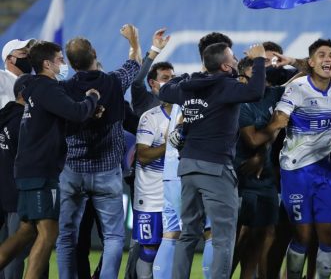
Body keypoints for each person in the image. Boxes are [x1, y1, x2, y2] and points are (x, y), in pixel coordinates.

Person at [159, 41, 266, 278]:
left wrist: (185, 77)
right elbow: (256, 91)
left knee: (188, 233)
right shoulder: (227, 86)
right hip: (215, 169)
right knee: (223, 237)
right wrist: (259, 60)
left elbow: (164, 90)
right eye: (234, 58)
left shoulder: (189, 87)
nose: (237, 59)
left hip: (187, 168)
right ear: (227, 67)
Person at [0, 41, 100, 278]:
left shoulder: (31, 87)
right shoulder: (47, 87)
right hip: (41, 172)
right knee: (47, 234)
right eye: (60, 59)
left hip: (28, 171)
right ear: (47, 64)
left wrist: (86, 112)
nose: (63, 64)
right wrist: (92, 98)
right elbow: (76, 112)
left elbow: (62, 124)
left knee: (25, 232)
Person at [249, 38, 331, 279]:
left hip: (325, 170)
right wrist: (261, 151)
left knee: (329, 234)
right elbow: (279, 122)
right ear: (311, 62)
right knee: (301, 235)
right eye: (321, 55)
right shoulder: (297, 87)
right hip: (295, 171)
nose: (328, 58)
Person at [55, 26, 142, 279]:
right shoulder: (113, 82)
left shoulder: (63, 89)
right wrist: (134, 40)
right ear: (93, 53)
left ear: (70, 63)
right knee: (114, 236)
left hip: (73, 171)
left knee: (67, 235)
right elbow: (134, 63)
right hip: (106, 171)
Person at [232, 55, 284, 279]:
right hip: (243, 176)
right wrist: (274, 125)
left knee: (263, 234)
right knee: (240, 236)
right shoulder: (240, 103)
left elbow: (306, 74)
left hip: (268, 178)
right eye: (256, 73)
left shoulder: (273, 94)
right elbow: (251, 140)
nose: (262, 79)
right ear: (243, 78)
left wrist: (290, 59)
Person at [132, 88, 177, 279]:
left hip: (175, 193)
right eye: (165, 78)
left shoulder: (186, 116)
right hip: (150, 195)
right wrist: (170, 144)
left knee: (175, 242)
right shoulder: (150, 117)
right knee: (149, 247)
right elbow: (142, 156)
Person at [0, 75, 32, 279]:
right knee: (15, 253)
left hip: (2, 195)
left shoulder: (3, 116)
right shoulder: (23, 123)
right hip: (17, 197)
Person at [131, 28, 172, 117]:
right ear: (152, 82)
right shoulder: (143, 98)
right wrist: (155, 50)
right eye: (165, 78)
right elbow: (137, 80)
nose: (171, 81)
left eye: (172, 78)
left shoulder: (177, 102)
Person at [0, 39, 34, 107]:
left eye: (29, 54)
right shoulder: (2, 77)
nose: (28, 58)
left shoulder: (33, 82)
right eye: (23, 53)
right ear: (9, 58)